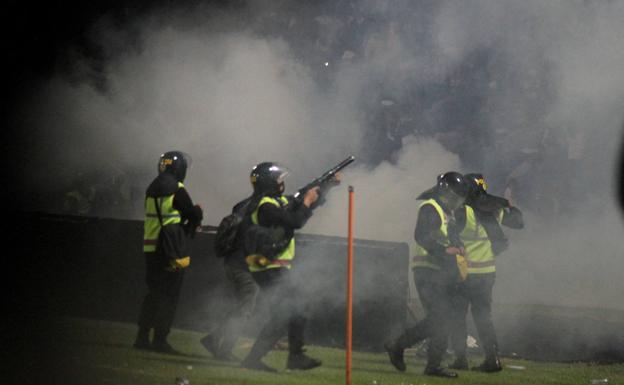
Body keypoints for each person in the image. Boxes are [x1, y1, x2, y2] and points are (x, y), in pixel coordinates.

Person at [240, 161, 331, 372]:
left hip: (271, 265)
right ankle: (285, 357)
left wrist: (326, 187)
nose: (282, 182)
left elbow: (302, 205)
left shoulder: (274, 201)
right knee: (287, 311)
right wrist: (307, 202)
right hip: (268, 266)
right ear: (270, 183)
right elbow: (296, 220)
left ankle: (293, 356)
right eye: (279, 179)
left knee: (292, 310)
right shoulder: (265, 206)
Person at [384, 171, 469, 378]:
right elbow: (421, 236)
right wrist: (445, 251)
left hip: (440, 271)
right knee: (440, 317)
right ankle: (399, 346)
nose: (457, 202)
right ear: (445, 192)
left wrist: (459, 246)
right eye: (454, 197)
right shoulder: (431, 208)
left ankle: (431, 364)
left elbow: (450, 236)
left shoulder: (447, 212)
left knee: (442, 318)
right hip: (427, 270)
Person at [448, 173, 524, 372]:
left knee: (458, 316)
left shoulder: (462, 210)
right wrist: (510, 204)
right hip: (487, 272)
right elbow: (518, 223)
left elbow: (449, 234)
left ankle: (460, 358)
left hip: (464, 273)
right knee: (483, 317)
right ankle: (493, 358)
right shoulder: (493, 209)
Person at [134, 151, 203, 353]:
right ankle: (160, 340)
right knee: (169, 296)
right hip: (170, 249)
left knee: (153, 294)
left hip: (151, 246)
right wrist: (198, 211)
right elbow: (191, 213)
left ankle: (142, 337)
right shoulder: (177, 188)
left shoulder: (152, 187)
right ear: (179, 168)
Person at [200, 198, 261, 361]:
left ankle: (213, 340)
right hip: (244, 267)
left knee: (239, 308)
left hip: (232, 264)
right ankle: (224, 350)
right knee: (243, 312)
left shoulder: (242, 209)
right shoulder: (260, 212)